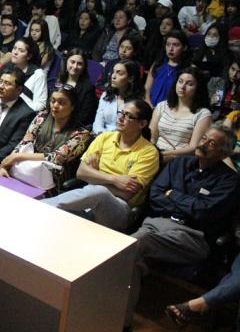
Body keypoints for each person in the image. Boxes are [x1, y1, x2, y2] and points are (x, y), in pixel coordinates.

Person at [126, 124, 240, 330]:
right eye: (203, 137)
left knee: (133, 245)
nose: (203, 143)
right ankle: (122, 321)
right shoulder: (179, 164)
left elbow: (204, 213)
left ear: (225, 152)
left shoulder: (230, 181)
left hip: (192, 236)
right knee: (132, 256)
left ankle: (109, 310)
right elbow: (156, 196)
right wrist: (187, 204)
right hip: (157, 224)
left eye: (211, 143)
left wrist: (173, 194)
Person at [42, 99, 160, 231]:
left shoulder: (149, 152)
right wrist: (115, 179)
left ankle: (41, 205)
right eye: (120, 112)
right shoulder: (105, 138)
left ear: (142, 124)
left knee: (99, 192)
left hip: (120, 209)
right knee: (58, 216)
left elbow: (126, 193)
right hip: (88, 198)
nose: (121, 117)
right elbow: (81, 173)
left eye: (128, 116)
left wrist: (94, 176)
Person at [0, 85, 91, 187]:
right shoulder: (42, 116)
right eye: (53, 101)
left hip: (50, 181)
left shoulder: (81, 134)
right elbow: (24, 143)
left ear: (73, 107)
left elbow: (56, 157)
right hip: (23, 170)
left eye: (61, 102)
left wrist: (18, 157)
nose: (55, 105)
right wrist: (6, 166)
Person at [150, 66, 212, 164]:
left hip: (179, 160)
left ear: (198, 88)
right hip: (154, 155)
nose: (182, 86)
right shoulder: (162, 106)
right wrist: (152, 152)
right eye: (180, 81)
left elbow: (193, 148)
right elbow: (152, 137)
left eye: (189, 84)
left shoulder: (202, 114)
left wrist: (163, 154)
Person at [93, 60, 144, 134]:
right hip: (101, 136)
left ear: (131, 78)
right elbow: (98, 123)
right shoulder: (106, 95)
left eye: (119, 73)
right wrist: (103, 136)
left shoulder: (137, 103)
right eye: (113, 72)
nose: (113, 76)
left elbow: (130, 129)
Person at [145, 30, 190, 106]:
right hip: (150, 107)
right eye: (168, 44)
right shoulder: (157, 64)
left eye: (175, 45)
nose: (170, 49)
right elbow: (147, 87)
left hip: (170, 111)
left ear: (184, 47)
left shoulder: (187, 69)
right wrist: (148, 103)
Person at [3, 37, 47, 111]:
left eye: (21, 50)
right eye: (14, 48)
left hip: (23, 114)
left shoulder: (38, 74)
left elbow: (40, 105)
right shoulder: (7, 68)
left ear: (29, 56)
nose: (15, 52)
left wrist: (22, 112)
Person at [57, 48, 98, 127]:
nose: (75, 66)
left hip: (72, 126)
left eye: (79, 64)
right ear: (66, 62)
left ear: (84, 67)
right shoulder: (59, 81)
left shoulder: (88, 88)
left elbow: (83, 117)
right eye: (72, 62)